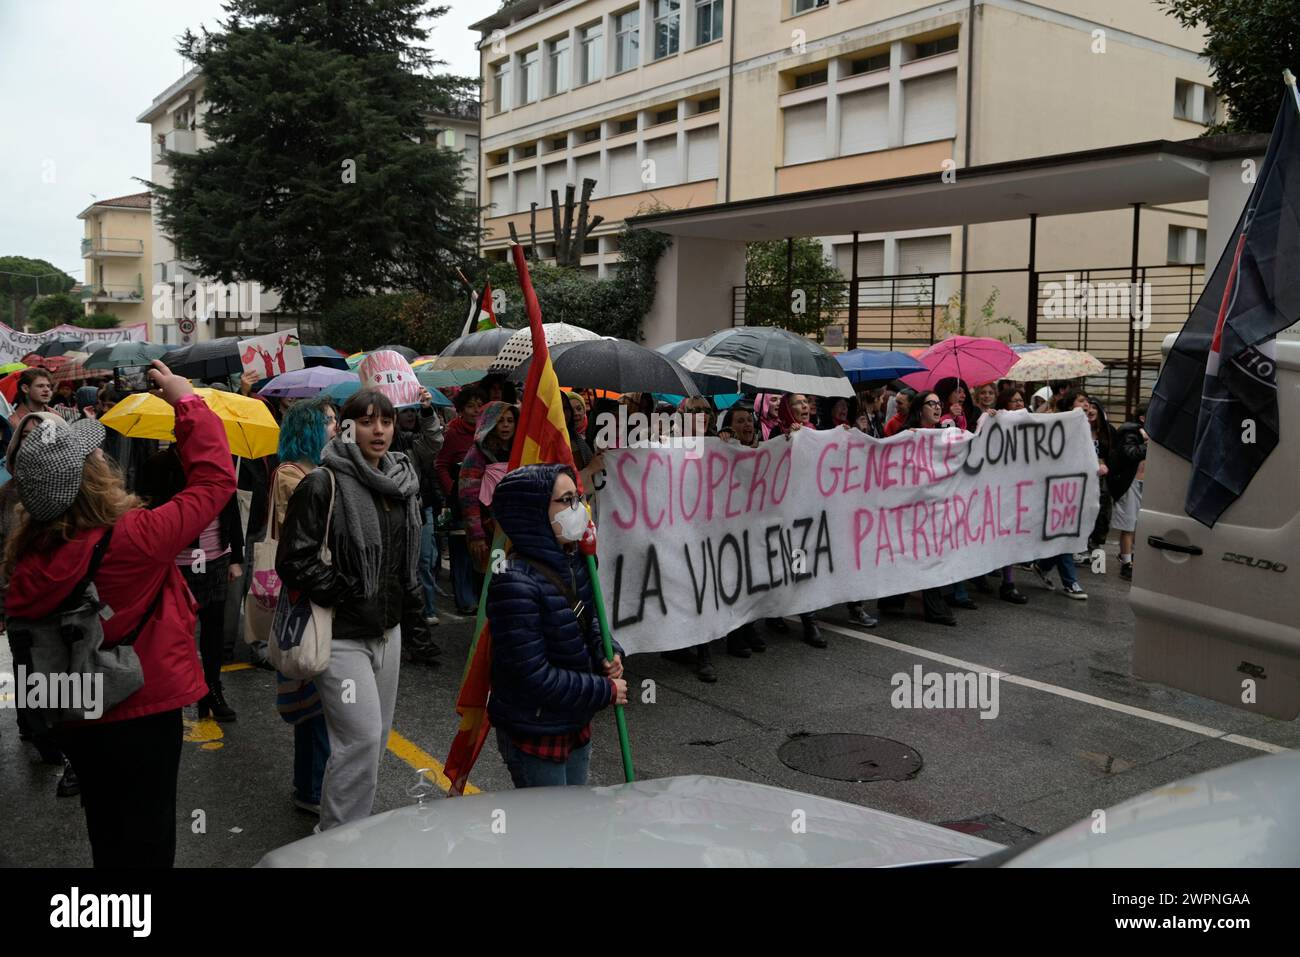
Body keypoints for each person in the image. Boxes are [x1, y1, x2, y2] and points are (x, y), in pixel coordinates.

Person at [4, 359, 232, 867]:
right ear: (93, 477)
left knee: (106, 828)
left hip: (75, 709)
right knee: (150, 837)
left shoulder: (26, 557)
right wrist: (185, 400)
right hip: (141, 708)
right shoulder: (135, 537)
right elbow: (215, 482)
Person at [276, 389, 430, 830]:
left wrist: (411, 613)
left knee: (375, 741)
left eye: (384, 421)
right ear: (347, 428)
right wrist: (345, 590)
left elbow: (404, 561)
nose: (378, 430)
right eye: (365, 421)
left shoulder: (401, 480)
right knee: (359, 740)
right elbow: (294, 560)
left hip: (388, 629)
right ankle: (337, 842)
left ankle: (350, 830)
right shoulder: (322, 482)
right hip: (341, 633)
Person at [486, 463, 627, 788]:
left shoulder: (575, 560)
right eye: (566, 501)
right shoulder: (513, 583)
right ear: (532, 512)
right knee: (548, 827)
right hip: (535, 729)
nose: (579, 509)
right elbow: (533, 676)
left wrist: (609, 652)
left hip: (573, 720)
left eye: (578, 498)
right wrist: (603, 690)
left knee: (575, 821)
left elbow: (590, 619)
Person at [138, 437, 246, 722]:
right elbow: (145, 509)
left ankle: (212, 690)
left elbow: (231, 508)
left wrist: (236, 556)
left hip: (216, 555)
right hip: (176, 559)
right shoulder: (159, 464)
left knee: (213, 628)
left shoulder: (218, 462)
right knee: (175, 631)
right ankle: (176, 692)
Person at [267, 397, 337, 814]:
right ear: (308, 429)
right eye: (326, 421)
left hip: (314, 589)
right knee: (310, 687)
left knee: (321, 694)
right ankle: (311, 788)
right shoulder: (292, 476)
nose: (335, 427)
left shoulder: (317, 471)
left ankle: (312, 782)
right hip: (303, 591)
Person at [876, 392, 958, 626]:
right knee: (919, 552)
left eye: (938, 403)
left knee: (918, 553)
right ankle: (933, 608)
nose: (936, 407)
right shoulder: (907, 434)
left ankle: (892, 600)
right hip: (910, 506)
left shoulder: (944, 433)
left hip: (934, 504)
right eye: (931, 403)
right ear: (919, 408)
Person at [1030, 396, 1094, 600]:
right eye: (1081, 400)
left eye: (1087, 402)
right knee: (1064, 532)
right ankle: (1070, 582)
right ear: (1069, 406)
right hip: (1054, 487)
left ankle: (1043, 565)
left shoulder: (1085, 429)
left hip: (1074, 488)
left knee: (1064, 533)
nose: (1086, 405)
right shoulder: (1056, 425)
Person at [435, 386, 486, 614]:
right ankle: (466, 601)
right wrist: (453, 490)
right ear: (460, 410)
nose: (475, 410)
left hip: (485, 502)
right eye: (470, 406)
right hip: (461, 502)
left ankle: (482, 596)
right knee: (462, 553)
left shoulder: (489, 432)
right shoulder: (453, 434)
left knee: (482, 551)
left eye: (479, 405)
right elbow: (441, 464)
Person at [460, 401, 517, 579]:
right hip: (488, 530)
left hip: (515, 529)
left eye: (510, 420)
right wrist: (477, 535)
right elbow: (467, 496)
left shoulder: (520, 450)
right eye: (500, 421)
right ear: (491, 423)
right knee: (490, 582)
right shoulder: (477, 454)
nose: (506, 425)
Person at [1109, 403, 1148, 581]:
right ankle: (1126, 563)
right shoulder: (1130, 432)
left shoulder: (1150, 434)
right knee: (1129, 525)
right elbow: (1130, 453)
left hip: (1145, 483)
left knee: (1140, 524)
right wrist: (1149, 443)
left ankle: (1133, 558)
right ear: (1143, 418)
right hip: (1129, 483)